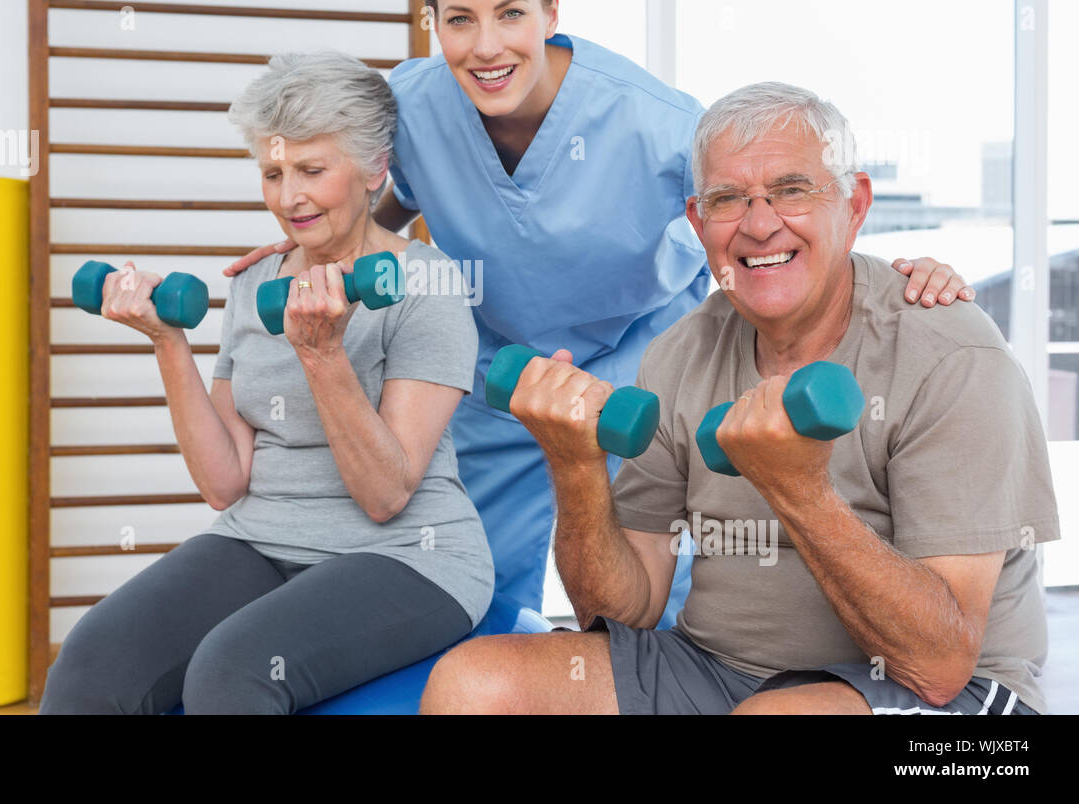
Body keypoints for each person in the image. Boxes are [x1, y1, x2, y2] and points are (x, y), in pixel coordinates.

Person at [224, 0, 973, 624]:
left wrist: (891, 274)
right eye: (459, 20)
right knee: (464, 584)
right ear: (434, 26)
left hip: (640, 365)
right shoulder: (414, 105)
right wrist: (315, 246)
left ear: (553, 12)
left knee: (661, 597)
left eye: (511, 13)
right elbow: (386, 198)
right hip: (501, 371)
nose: (486, 47)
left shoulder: (655, 123)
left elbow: (766, 220)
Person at [419, 82, 1060, 715]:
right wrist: (575, 465)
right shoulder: (679, 353)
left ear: (855, 204)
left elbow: (939, 665)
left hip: (949, 700)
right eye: (729, 200)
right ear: (699, 222)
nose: (759, 224)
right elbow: (618, 614)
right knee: (474, 682)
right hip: (717, 670)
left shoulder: (949, 354)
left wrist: (799, 491)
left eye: (791, 191)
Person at [40, 52, 492, 714]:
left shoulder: (428, 287)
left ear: (374, 170)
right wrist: (168, 341)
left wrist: (322, 355)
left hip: (406, 555)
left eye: (312, 170)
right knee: (90, 664)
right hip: (262, 537)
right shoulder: (255, 284)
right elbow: (225, 483)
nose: (289, 197)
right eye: (273, 173)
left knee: (231, 674)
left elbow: (386, 494)